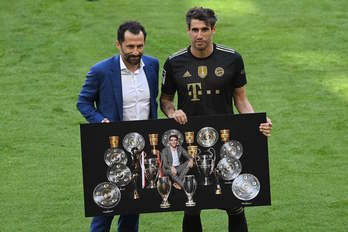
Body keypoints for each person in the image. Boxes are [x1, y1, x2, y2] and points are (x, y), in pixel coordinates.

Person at [160, 7, 272, 232]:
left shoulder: (232, 58)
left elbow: (241, 99)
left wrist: (256, 121)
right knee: (191, 204)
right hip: (188, 142)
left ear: (213, 30)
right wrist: (172, 112)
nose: (199, 35)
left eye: (204, 29)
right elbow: (165, 100)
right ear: (188, 31)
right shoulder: (174, 62)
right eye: (194, 30)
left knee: (234, 202)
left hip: (226, 140)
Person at [77, 21, 159, 232]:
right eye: (130, 46)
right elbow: (83, 102)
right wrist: (100, 121)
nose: (135, 51)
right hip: (111, 149)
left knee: (133, 207)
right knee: (105, 208)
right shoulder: (101, 71)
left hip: (140, 149)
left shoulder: (152, 65)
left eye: (140, 46)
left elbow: (153, 104)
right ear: (118, 44)